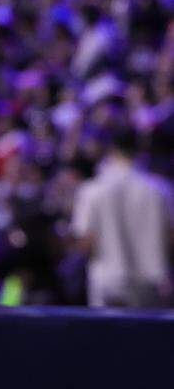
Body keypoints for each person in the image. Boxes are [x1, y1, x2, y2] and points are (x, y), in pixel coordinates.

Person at [71, 128, 174, 307]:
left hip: (108, 281)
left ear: (111, 151)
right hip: (152, 282)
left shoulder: (92, 190)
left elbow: (85, 242)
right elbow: (171, 237)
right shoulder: (160, 189)